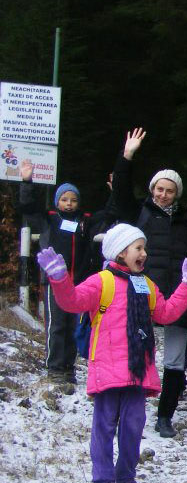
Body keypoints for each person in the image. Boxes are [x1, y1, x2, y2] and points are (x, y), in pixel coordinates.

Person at [36, 224, 187, 483]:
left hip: (137, 370)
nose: (144, 254)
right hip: (108, 370)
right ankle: (103, 481)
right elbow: (72, 302)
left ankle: (126, 479)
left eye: (144, 248)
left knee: (134, 426)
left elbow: (167, 313)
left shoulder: (146, 285)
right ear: (121, 252)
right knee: (104, 427)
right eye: (138, 248)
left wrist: (186, 286)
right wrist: (59, 279)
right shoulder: (101, 282)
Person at [112, 128, 187, 438]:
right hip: (139, 295)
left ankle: (165, 416)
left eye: (169, 191)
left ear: (177, 194)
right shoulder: (139, 213)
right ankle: (129, 409)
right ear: (152, 190)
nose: (163, 195)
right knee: (136, 355)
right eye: (159, 189)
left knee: (175, 361)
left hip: (177, 297)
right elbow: (119, 192)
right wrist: (127, 156)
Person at [19, 161, 115, 388]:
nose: (69, 204)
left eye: (73, 200)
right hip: (54, 283)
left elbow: (110, 214)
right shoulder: (49, 219)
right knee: (57, 325)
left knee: (73, 327)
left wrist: (115, 191)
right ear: (57, 201)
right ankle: (55, 368)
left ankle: (69, 367)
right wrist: (26, 182)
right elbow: (27, 206)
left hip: (80, 284)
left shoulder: (85, 221)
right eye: (64, 199)